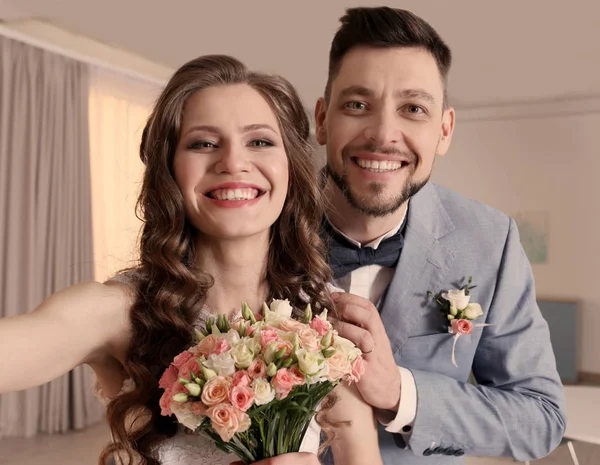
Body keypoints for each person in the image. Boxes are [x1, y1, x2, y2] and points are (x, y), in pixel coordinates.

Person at [0, 55, 383, 465]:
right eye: (203, 143)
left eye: (259, 141)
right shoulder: (122, 311)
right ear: (170, 169)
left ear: (290, 166)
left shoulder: (324, 321)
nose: (233, 162)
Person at [314, 6, 567, 464]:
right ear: (321, 119)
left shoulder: (491, 241)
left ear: (444, 130)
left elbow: (541, 418)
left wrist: (400, 394)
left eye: (413, 109)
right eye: (356, 105)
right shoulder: (253, 222)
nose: (384, 134)